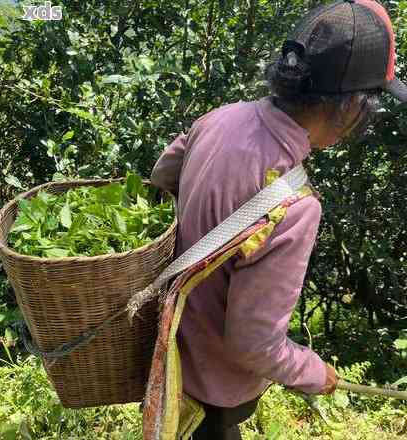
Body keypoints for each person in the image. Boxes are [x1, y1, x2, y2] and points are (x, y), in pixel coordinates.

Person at [150, 1, 407, 439]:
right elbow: (253, 344)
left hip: (170, 348)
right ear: (348, 108)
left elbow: (163, 176)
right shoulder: (294, 206)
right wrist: (311, 371)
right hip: (215, 385)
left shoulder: (218, 118)